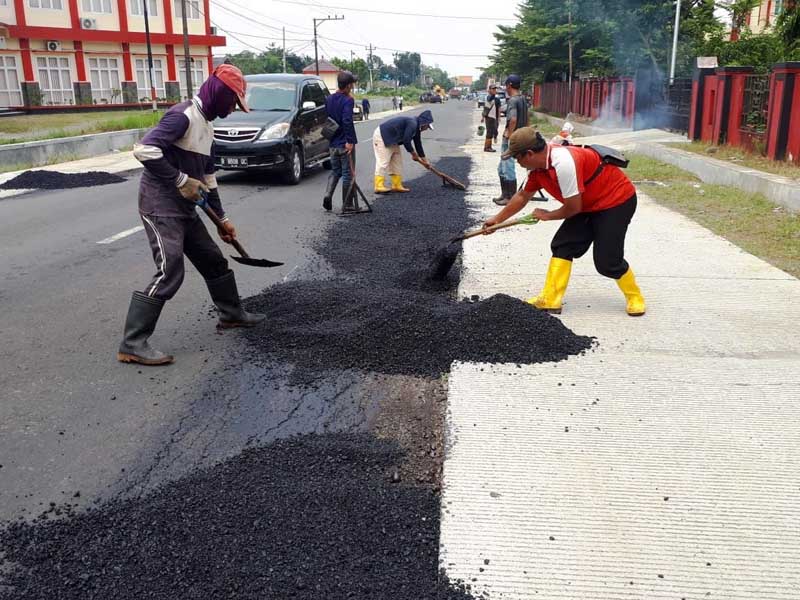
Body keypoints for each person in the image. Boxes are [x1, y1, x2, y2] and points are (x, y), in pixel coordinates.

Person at [117, 65, 265, 366]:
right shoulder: (182, 116)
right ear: (219, 94)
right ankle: (132, 343)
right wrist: (181, 180)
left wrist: (222, 219)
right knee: (170, 270)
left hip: (186, 209)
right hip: (160, 206)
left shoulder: (207, 127)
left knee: (213, 260)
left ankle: (232, 314)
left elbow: (208, 179)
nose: (231, 110)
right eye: (231, 102)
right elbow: (144, 151)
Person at [483, 127, 646, 317]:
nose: (517, 163)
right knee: (563, 246)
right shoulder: (537, 170)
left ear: (529, 154)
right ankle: (550, 299)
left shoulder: (564, 163)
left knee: (607, 262)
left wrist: (548, 215)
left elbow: (572, 209)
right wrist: (496, 220)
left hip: (615, 201)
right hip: (587, 204)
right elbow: (522, 196)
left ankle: (635, 297)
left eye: (517, 158)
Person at [372, 109, 434, 194]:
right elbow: (406, 141)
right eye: (427, 127)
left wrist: (425, 161)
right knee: (383, 161)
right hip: (382, 136)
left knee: (397, 160)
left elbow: (418, 145)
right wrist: (413, 154)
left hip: (393, 139)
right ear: (424, 123)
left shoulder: (416, 129)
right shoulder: (413, 123)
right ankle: (378, 186)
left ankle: (396, 185)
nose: (426, 129)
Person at [323, 70, 359, 213]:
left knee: (335, 171)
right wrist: (350, 141)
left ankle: (327, 195)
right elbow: (347, 120)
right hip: (344, 143)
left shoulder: (329, 99)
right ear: (349, 85)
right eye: (352, 84)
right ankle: (348, 204)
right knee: (347, 174)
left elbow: (328, 118)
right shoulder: (348, 100)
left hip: (333, 143)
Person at [494, 74, 529, 206]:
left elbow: (513, 119)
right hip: (520, 135)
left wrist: (509, 135)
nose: (505, 88)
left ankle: (510, 198)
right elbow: (527, 116)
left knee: (508, 166)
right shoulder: (523, 99)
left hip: (512, 138)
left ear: (509, 85)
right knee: (501, 167)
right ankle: (505, 194)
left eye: (505, 85)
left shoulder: (513, 101)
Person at [481, 83, 501, 153]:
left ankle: (489, 146)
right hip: (489, 117)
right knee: (489, 132)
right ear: (489, 90)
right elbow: (486, 108)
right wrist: (483, 117)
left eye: (495, 89)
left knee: (494, 131)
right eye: (493, 89)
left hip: (494, 117)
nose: (494, 90)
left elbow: (499, 109)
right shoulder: (489, 97)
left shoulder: (497, 99)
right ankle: (487, 147)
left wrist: (499, 117)